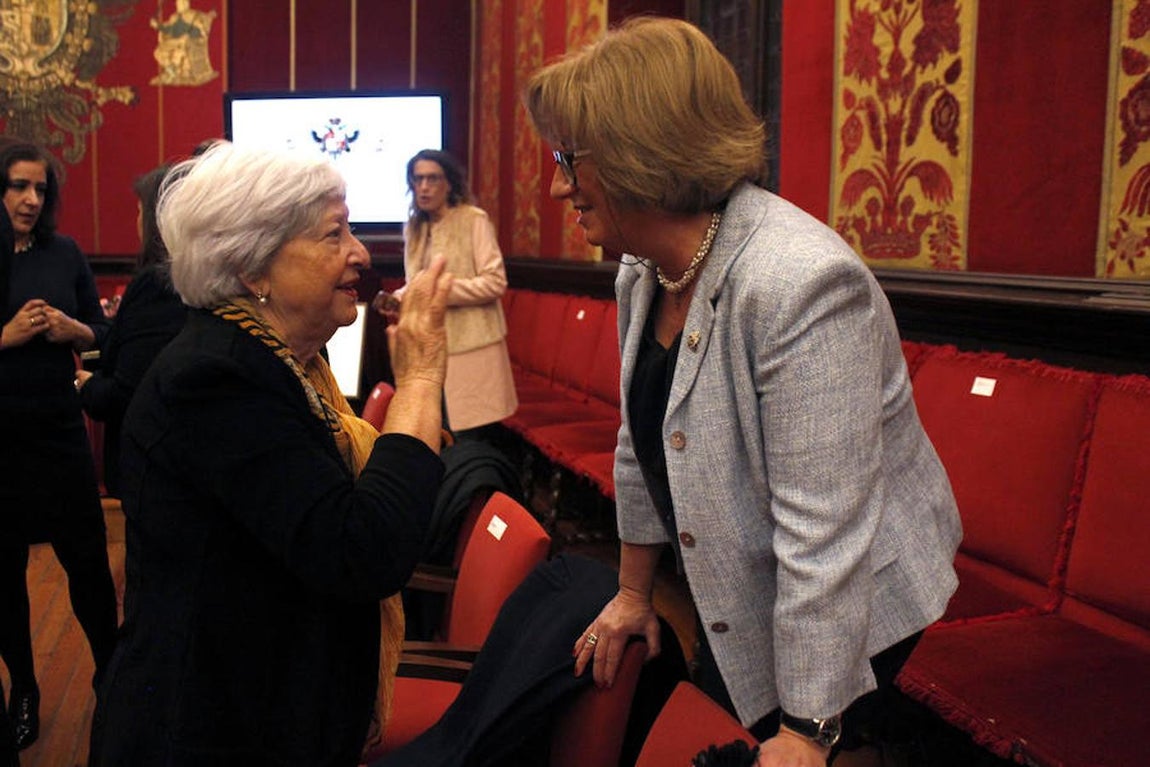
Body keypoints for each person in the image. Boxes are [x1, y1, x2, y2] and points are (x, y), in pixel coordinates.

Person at [524, 17, 962, 767]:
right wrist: (634, 593)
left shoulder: (801, 284)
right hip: (743, 579)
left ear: (639, 154)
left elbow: (824, 537)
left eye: (570, 157)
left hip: (848, 601)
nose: (557, 182)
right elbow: (640, 442)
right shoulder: (644, 266)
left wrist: (809, 727)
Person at [89, 142, 453, 767]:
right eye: (334, 234)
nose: (360, 254)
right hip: (211, 732)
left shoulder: (278, 360)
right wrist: (419, 380)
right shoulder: (215, 379)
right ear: (252, 270)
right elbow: (362, 549)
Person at [0, 139, 118, 752]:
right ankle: (24, 689)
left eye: (40, 189)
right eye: (19, 186)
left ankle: (113, 681)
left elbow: (102, 338)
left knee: (89, 569)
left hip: (57, 434)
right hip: (0, 444)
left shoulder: (64, 252)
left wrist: (77, 330)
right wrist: (8, 335)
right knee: (4, 580)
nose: (30, 199)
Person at [387, 148, 517, 441]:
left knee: (472, 438)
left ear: (449, 184)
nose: (424, 187)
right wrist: (400, 296)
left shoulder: (473, 219)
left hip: (473, 343)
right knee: (435, 432)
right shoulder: (415, 227)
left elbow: (495, 282)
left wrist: (441, 290)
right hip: (429, 344)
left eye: (432, 178)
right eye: (418, 179)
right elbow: (416, 281)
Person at [76, 164, 187, 497]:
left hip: (153, 471)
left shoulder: (157, 284)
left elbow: (130, 393)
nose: (135, 222)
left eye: (140, 212)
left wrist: (86, 386)